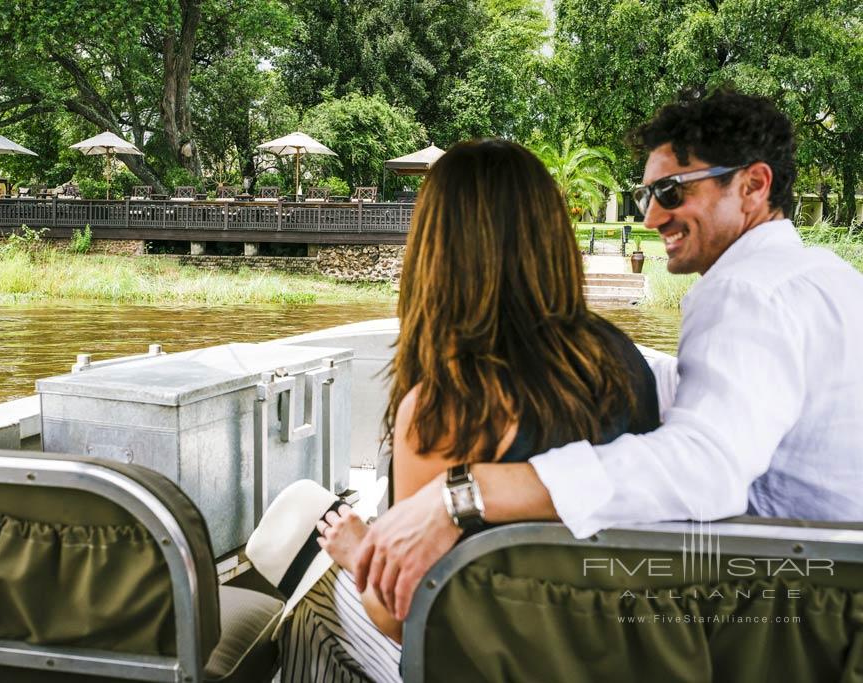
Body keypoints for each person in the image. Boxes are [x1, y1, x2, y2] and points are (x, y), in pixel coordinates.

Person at [353, 90, 863, 624]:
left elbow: (707, 468)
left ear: (752, 185)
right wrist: (565, 348)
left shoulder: (745, 291)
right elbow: (739, 395)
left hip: (790, 618)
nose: (651, 218)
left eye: (670, 191)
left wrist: (463, 493)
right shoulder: (828, 279)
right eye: (647, 196)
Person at [275, 138, 661, 682]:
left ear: (436, 250)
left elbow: (407, 617)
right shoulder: (625, 366)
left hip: (487, 663)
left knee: (309, 607)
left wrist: (357, 550)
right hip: (609, 656)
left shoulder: (443, 409)